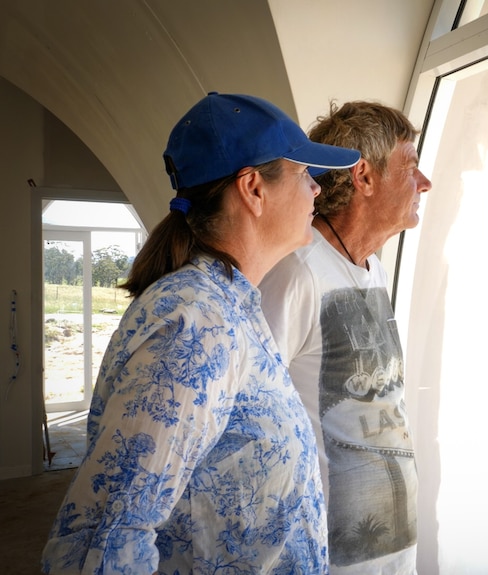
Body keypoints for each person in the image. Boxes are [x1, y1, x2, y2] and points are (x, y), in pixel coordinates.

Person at [41, 92, 360, 574]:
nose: (317, 191)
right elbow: (107, 539)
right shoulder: (195, 325)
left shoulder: (232, 304)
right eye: (303, 174)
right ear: (253, 188)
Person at [259, 101, 432, 574]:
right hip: (329, 559)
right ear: (364, 177)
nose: (425, 183)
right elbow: (249, 417)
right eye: (411, 169)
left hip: (393, 551)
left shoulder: (371, 267)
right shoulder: (298, 272)